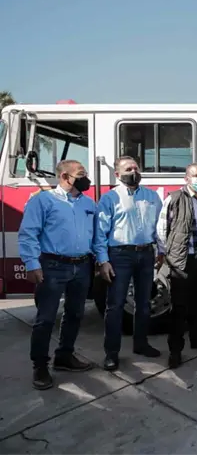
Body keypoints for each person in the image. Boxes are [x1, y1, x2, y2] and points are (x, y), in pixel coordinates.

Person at [18, 160, 95, 390]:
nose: (86, 178)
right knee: (46, 318)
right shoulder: (43, 201)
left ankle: (64, 356)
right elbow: (28, 234)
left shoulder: (88, 203)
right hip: (53, 266)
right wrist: (32, 264)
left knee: (75, 314)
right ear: (64, 177)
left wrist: (100, 260)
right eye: (81, 174)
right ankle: (40, 366)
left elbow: (95, 235)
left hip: (82, 265)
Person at [94, 156, 164, 371]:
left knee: (143, 304)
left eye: (135, 168)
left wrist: (161, 250)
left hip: (146, 254)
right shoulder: (109, 198)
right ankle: (111, 353)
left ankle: (141, 344)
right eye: (128, 169)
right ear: (117, 174)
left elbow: (159, 227)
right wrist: (103, 261)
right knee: (115, 305)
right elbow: (100, 232)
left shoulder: (152, 196)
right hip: (120, 255)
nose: (133, 172)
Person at [156, 162, 197, 369]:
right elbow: (162, 229)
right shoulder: (175, 198)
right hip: (182, 262)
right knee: (179, 308)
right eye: (196, 175)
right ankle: (175, 351)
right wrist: (165, 255)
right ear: (186, 178)